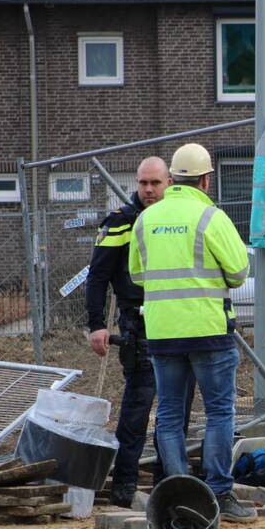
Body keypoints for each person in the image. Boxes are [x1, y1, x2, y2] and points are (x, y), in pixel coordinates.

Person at [127, 143, 255, 522]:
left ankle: (179, 493)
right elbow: (238, 272)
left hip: (163, 333)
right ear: (205, 179)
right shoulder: (209, 217)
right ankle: (218, 493)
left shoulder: (146, 219)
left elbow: (137, 275)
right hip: (207, 331)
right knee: (218, 411)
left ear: (173, 178)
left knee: (168, 413)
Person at [87, 156, 181, 507]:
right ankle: (125, 483)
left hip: (175, 323)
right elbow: (97, 276)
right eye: (143, 183)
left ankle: (167, 483)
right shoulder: (121, 222)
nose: (148, 190)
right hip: (137, 323)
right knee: (138, 406)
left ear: (169, 183)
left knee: (175, 407)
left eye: (155, 183)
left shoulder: (176, 219)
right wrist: (97, 324)